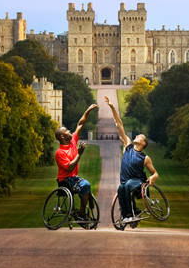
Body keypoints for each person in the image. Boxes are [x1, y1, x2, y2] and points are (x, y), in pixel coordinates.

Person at [105, 95, 159, 225]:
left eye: (140, 136)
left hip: (138, 183)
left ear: (143, 143)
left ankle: (129, 215)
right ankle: (127, 215)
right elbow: (119, 124)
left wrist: (152, 179)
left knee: (128, 185)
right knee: (120, 188)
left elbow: (155, 173)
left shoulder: (145, 158)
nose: (136, 136)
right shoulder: (127, 147)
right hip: (125, 183)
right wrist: (112, 107)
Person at [55, 103, 99, 214]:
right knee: (86, 185)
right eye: (67, 131)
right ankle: (82, 212)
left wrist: (87, 110)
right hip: (65, 181)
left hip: (74, 178)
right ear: (62, 136)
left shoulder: (73, 141)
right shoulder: (59, 152)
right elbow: (69, 168)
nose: (70, 131)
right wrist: (79, 154)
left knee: (85, 185)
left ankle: (86, 200)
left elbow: (80, 123)